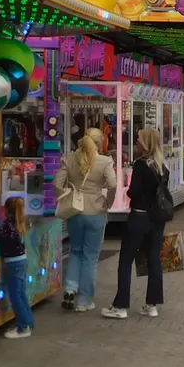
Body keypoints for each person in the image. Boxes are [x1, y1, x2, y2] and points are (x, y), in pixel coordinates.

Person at [103, 129, 168, 319]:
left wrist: (129, 193)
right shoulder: (162, 166)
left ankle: (121, 305)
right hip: (157, 219)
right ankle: (152, 304)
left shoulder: (141, 165)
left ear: (145, 143)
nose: (137, 143)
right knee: (154, 259)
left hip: (139, 217)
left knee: (126, 260)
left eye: (139, 140)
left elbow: (134, 191)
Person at [55, 126, 117, 313]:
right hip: (96, 211)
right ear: (99, 143)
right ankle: (84, 300)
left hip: (75, 211)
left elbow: (57, 183)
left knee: (75, 251)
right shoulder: (104, 161)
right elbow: (113, 184)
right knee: (90, 257)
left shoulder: (70, 159)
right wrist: (108, 202)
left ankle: (70, 288)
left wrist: (67, 194)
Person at [0, 197, 34, 339]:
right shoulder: (21, 222)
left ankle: (23, 327)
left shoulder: (7, 225)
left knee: (15, 296)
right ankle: (28, 321)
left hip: (13, 264)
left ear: (6, 210)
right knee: (21, 294)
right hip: (22, 261)